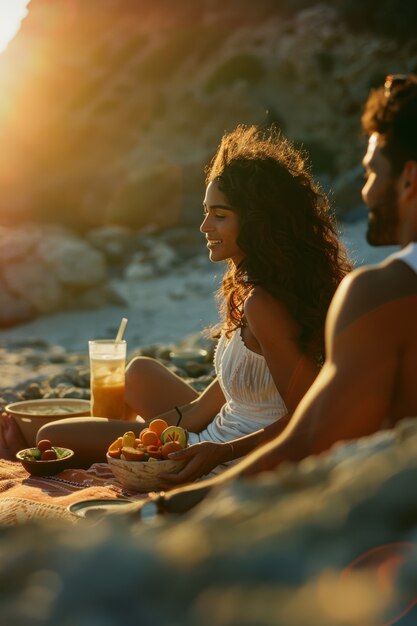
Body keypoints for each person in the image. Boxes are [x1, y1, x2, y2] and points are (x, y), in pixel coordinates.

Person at [149, 73, 417, 514]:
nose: (365, 191)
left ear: (409, 179)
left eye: (371, 172)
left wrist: (163, 507)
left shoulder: (381, 294)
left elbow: (314, 436)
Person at [30, 124, 350, 471]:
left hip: (228, 452)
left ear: (259, 223)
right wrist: (150, 440)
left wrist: (219, 452)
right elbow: (201, 408)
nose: (204, 227)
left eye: (220, 215)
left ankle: (121, 469)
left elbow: (312, 415)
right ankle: (129, 463)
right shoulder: (257, 288)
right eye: (205, 211)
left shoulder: (263, 304)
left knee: (52, 435)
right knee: (138, 372)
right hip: (215, 429)